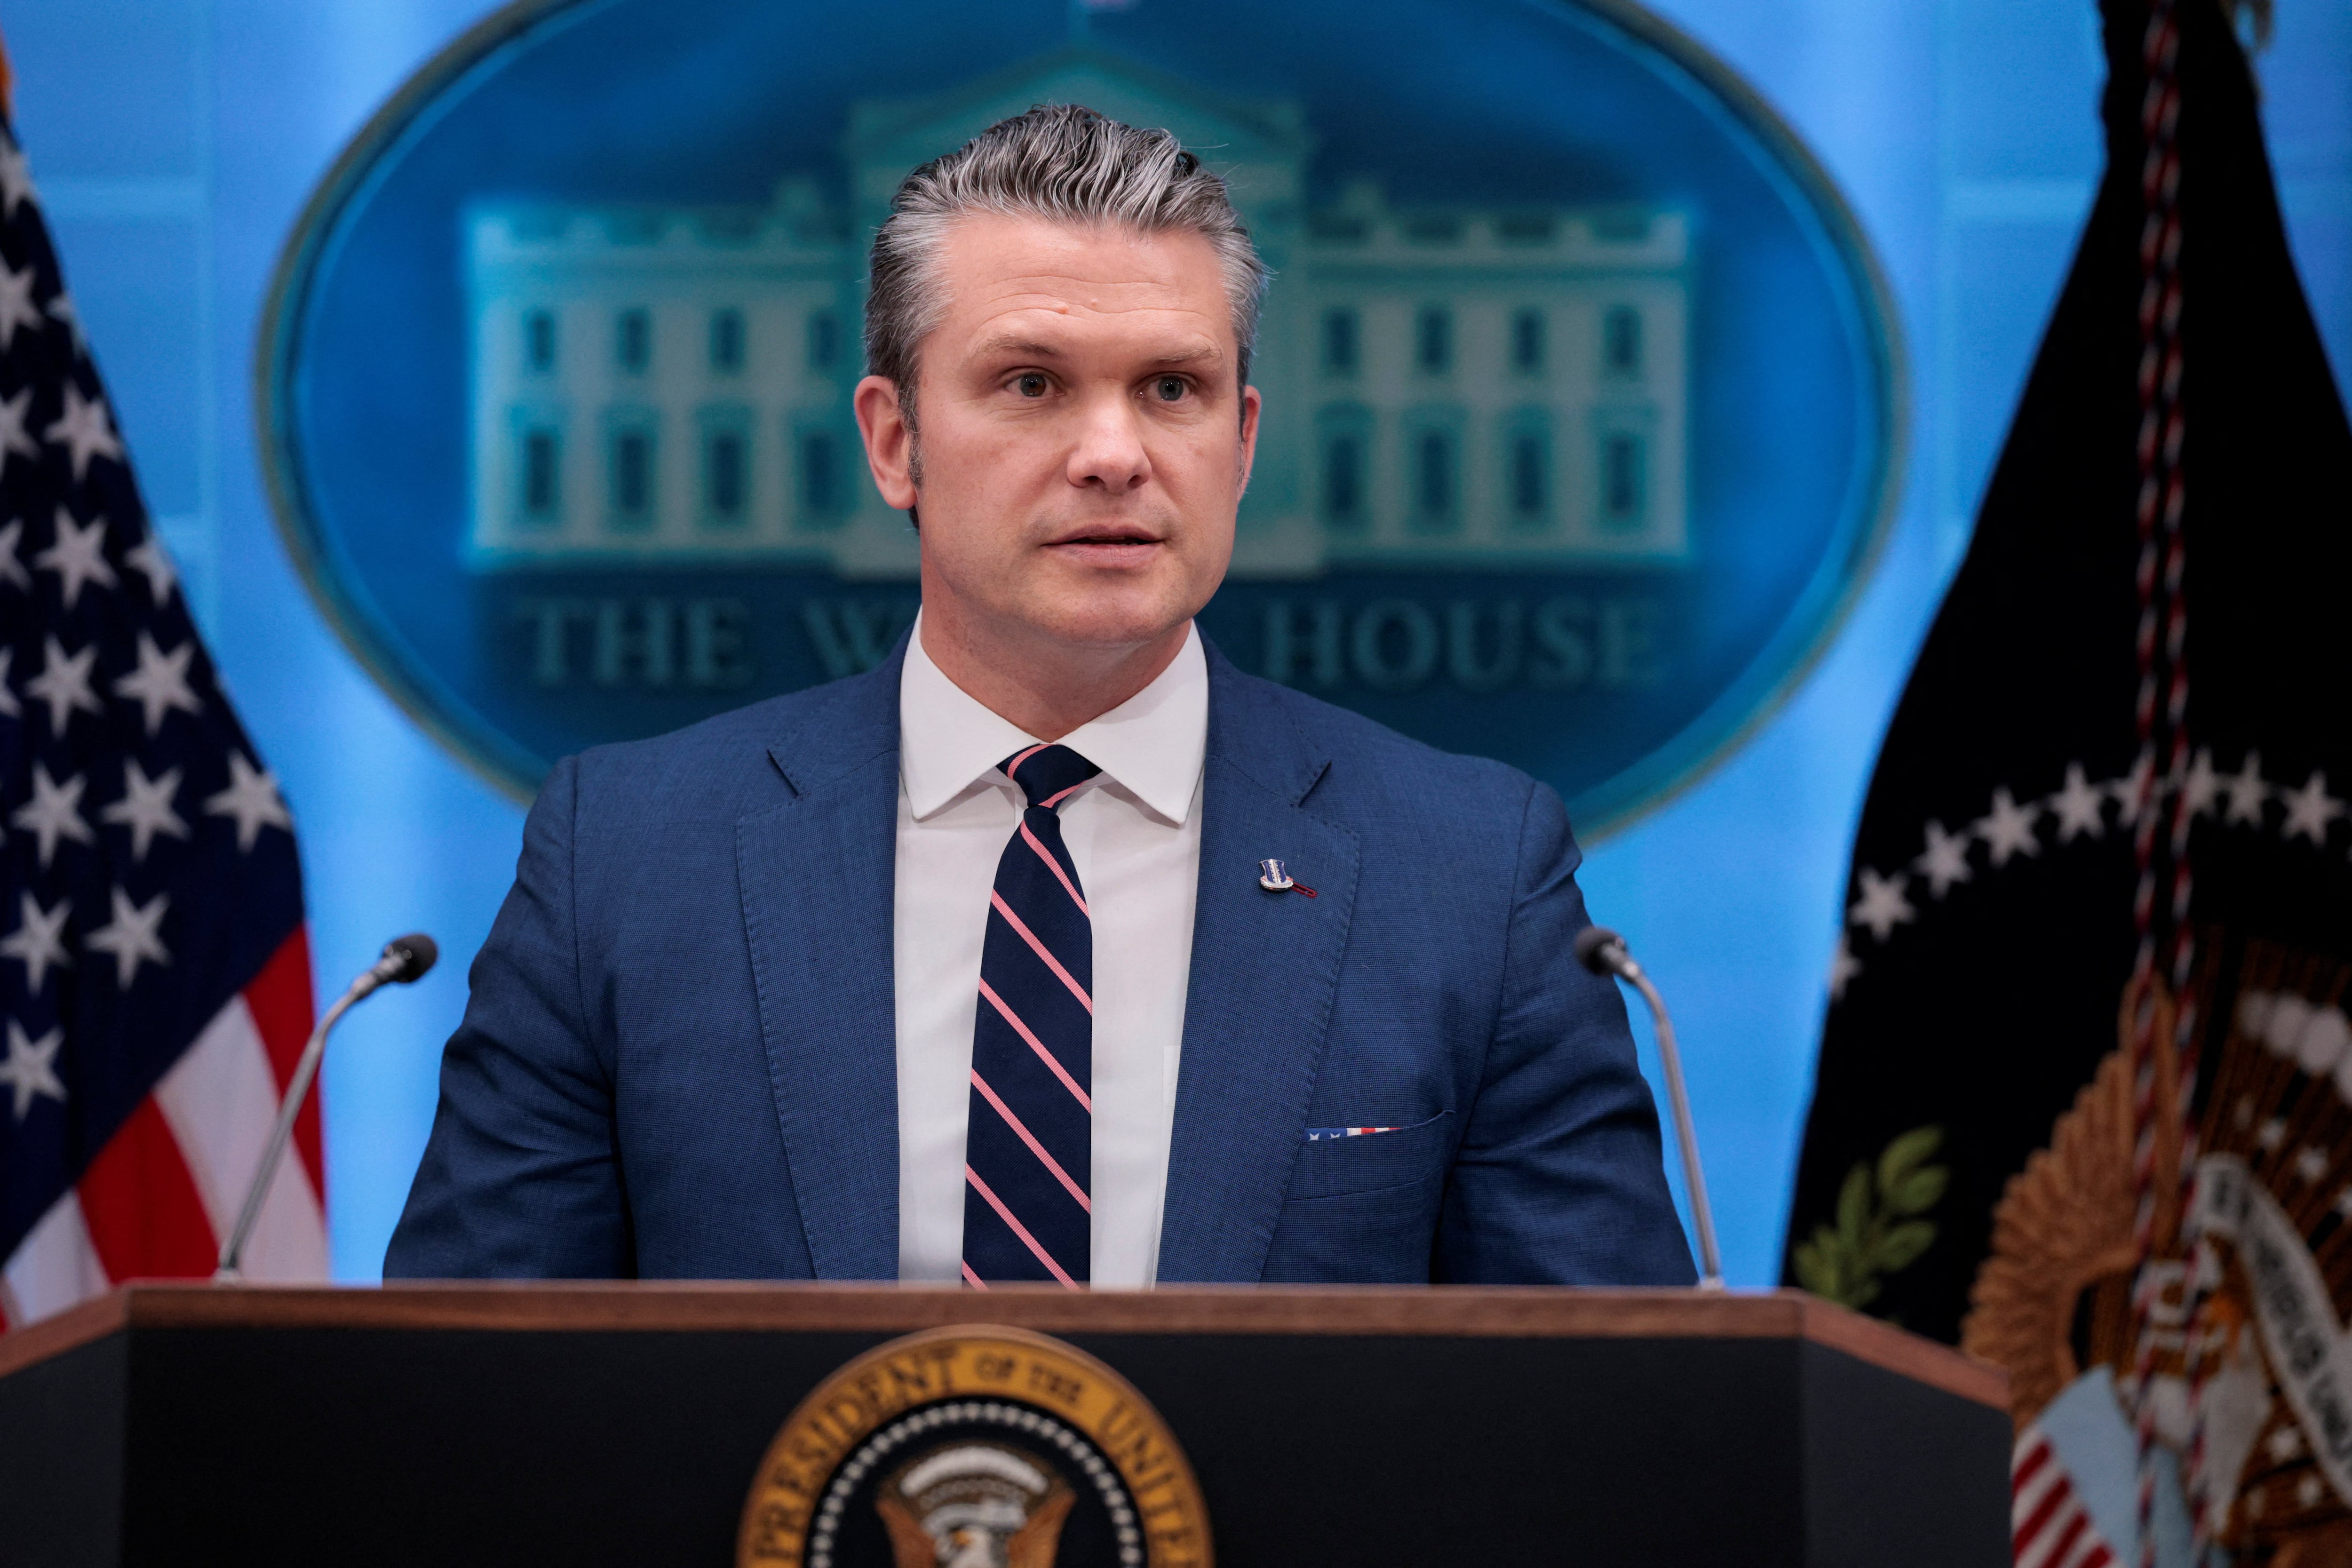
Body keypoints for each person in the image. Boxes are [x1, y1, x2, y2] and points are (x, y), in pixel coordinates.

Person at [385, 105, 1694, 1289]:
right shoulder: (624, 858)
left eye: (1171, 391)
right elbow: (467, 1401)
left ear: (1241, 443)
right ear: (896, 442)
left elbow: (1607, 1424)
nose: (1115, 455)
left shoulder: (1470, 876)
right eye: (1032, 385)